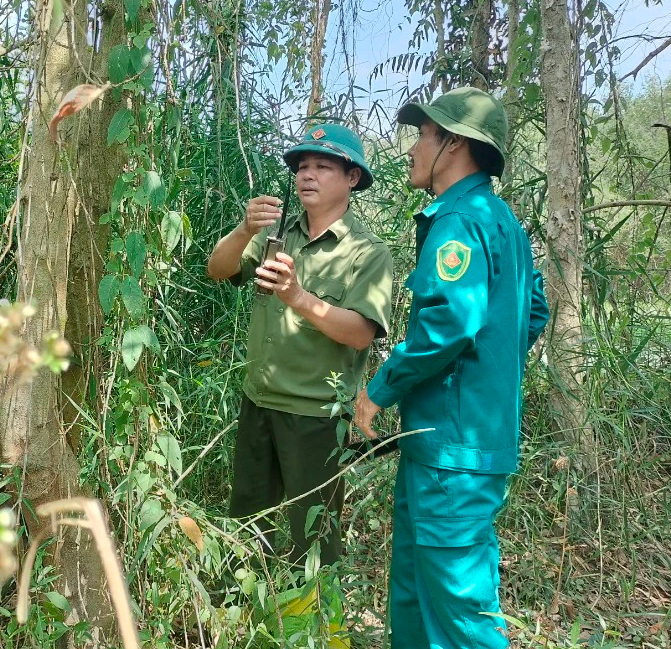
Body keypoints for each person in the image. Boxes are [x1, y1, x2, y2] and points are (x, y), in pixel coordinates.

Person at [351, 87, 551, 648]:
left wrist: (379, 390)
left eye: (423, 134)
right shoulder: (501, 220)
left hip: (452, 452)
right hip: (452, 444)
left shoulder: (460, 221)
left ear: (455, 144)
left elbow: (449, 324)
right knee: (416, 595)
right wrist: (489, 372)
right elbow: (533, 310)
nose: (413, 147)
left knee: (461, 611)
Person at [206, 123, 394, 566]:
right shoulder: (278, 234)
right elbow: (218, 269)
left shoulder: (367, 252)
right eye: (302, 166)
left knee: (313, 541)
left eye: (322, 167)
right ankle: (245, 605)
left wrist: (298, 297)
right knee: (247, 527)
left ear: (352, 177)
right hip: (258, 403)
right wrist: (244, 229)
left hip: (316, 417)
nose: (307, 175)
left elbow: (360, 332)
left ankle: (311, 609)